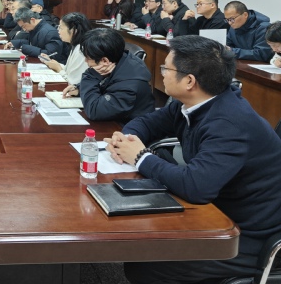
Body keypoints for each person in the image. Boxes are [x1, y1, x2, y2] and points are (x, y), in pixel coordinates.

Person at [105, 35, 281, 284]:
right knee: (141, 244)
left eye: (166, 68)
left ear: (189, 81)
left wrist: (141, 157)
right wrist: (125, 138)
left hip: (249, 234)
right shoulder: (193, 103)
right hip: (218, 208)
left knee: (147, 265)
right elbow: (149, 122)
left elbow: (197, 186)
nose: (162, 73)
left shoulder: (229, 123)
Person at [76, 28, 154, 123]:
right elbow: (105, 84)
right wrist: (79, 88)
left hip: (127, 128)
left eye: (88, 58)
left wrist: (91, 76)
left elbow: (94, 110)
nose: (85, 61)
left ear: (105, 61)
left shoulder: (128, 86)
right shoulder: (120, 59)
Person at [39, 12, 91, 95]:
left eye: (61, 28)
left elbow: (72, 83)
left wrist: (59, 69)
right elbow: (69, 70)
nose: (58, 30)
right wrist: (52, 63)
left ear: (73, 31)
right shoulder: (76, 45)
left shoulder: (81, 50)